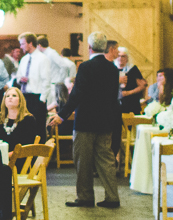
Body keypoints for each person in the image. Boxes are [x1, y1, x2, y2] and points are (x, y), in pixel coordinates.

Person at [50, 31, 120, 209]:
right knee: (106, 161)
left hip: (85, 122)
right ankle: (112, 197)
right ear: (105, 47)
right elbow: (113, 98)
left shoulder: (85, 67)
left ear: (89, 47)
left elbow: (77, 94)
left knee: (83, 161)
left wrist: (62, 115)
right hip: (105, 122)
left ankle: (85, 197)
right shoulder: (112, 69)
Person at [14, 32, 54, 126]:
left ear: (30, 43)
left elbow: (46, 80)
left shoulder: (43, 59)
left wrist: (42, 100)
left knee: (38, 127)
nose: (21, 47)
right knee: (24, 127)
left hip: (37, 98)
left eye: (22, 44)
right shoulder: (24, 59)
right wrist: (20, 79)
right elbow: (18, 76)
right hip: (24, 97)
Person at [0, 87, 41, 161]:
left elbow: (27, 146)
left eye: (14, 96)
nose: (10, 97)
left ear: (20, 101)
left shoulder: (28, 120)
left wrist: (7, 156)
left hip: (20, 159)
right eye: (7, 96)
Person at [116, 47, 146, 114]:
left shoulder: (133, 69)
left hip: (131, 102)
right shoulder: (113, 69)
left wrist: (129, 92)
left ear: (127, 58)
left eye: (123, 56)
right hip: (117, 103)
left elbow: (142, 86)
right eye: (119, 56)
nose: (120, 58)